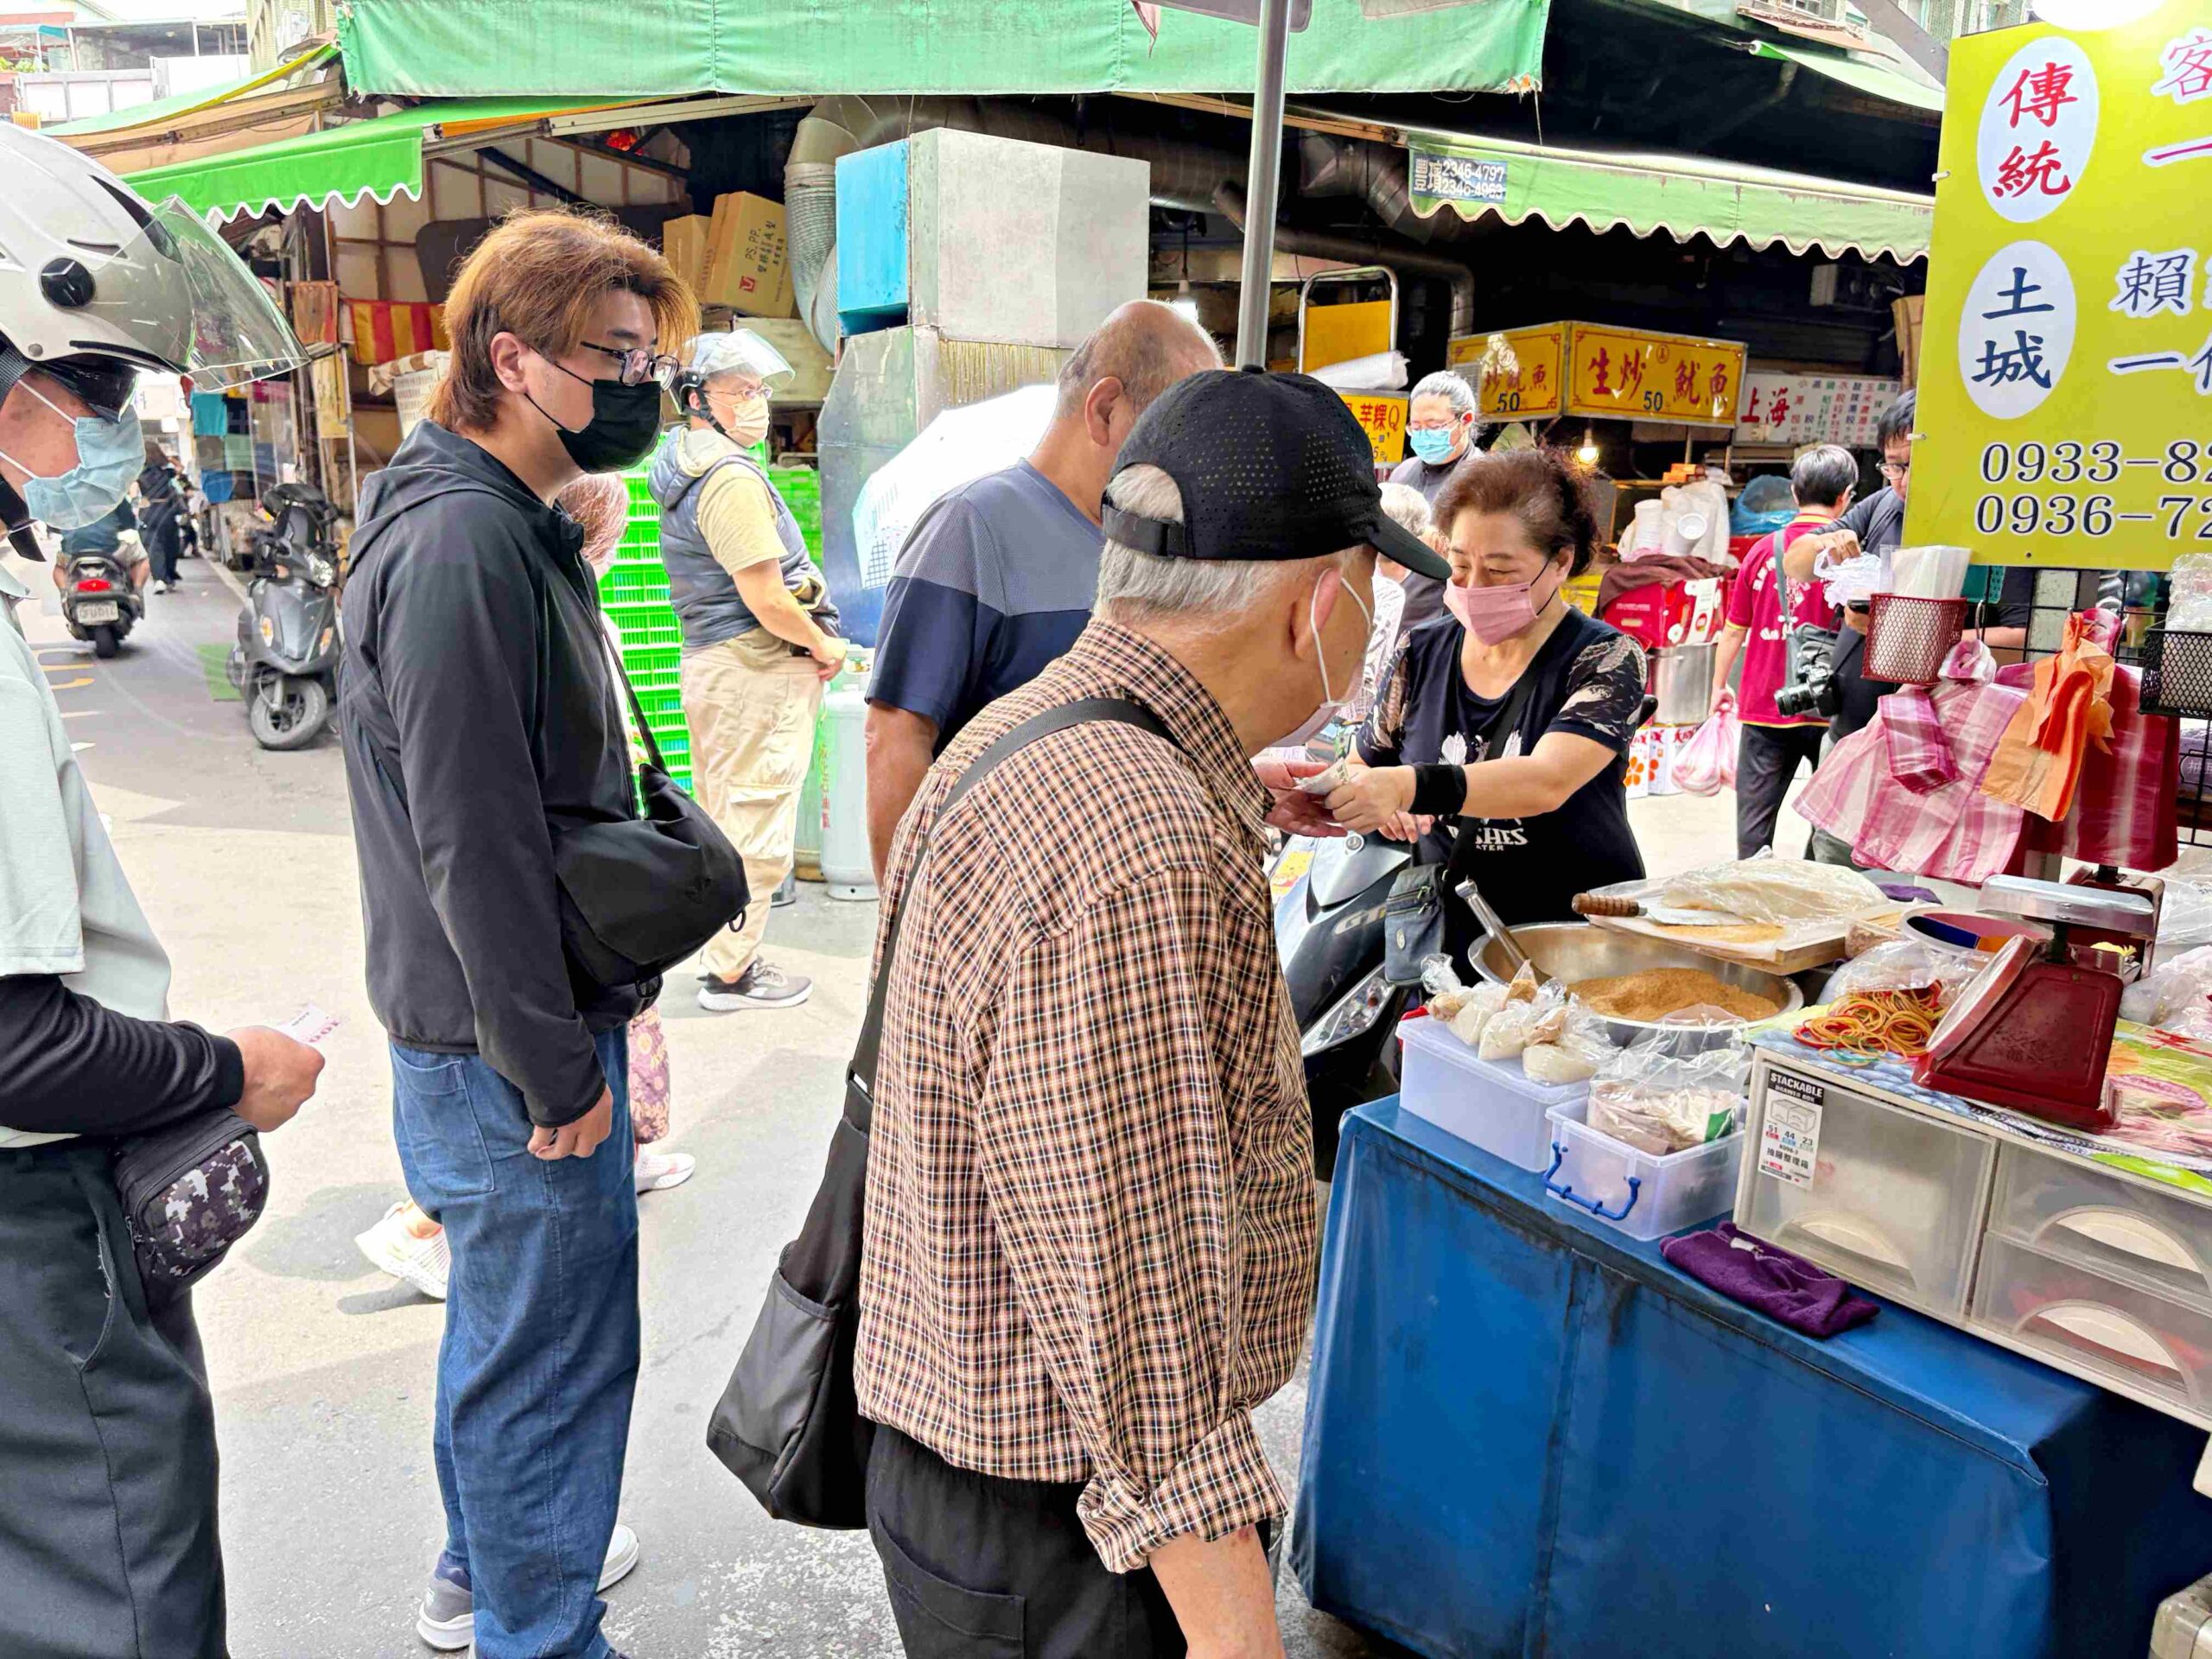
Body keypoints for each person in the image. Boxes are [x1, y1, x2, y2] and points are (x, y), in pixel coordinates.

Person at [858, 367, 1453, 1659]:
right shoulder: (1142, 843)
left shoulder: (1035, 726)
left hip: (980, 1456)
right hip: (1070, 1524)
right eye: (1373, 586)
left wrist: (1229, 788)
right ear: (1318, 604)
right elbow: (1145, 1330)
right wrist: (1238, 1637)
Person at [338, 208, 694, 1659]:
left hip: (484, 1018)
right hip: (507, 1039)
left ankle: (480, 1575)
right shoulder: (463, 543)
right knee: (551, 1359)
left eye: (650, 360)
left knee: (507, 1334)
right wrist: (552, 1069)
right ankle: (538, 1633)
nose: (639, 387)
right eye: (614, 357)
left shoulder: (477, 516)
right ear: (511, 362)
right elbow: (473, 837)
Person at [0, 120, 324, 1659]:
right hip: (31, 1248)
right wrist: (225, 1071)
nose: (113, 425)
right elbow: (17, 1046)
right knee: (120, 1603)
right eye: (93, 384)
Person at [353, 475, 696, 1310]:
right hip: (500, 1016)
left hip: (472, 995)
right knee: (545, 1331)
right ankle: (424, 1225)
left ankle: (441, 1217)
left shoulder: (420, 546)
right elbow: (478, 849)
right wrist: (560, 1075)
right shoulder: (463, 570)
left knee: (541, 1321)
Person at [863, 298, 1221, 882]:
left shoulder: (1144, 543)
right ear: (1105, 410)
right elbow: (895, 736)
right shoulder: (969, 527)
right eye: (1180, 435)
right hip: (1000, 897)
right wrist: (907, 914)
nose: (1193, 464)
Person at [1327, 447, 1649, 974]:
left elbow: (1545, 780)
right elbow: (1363, 763)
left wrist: (1409, 786)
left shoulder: (1605, 658)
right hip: (1448, 934)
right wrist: (1385, 802)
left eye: (1500, 570)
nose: (1474, 588)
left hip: (1573, 940)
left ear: (1560, 562)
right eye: (1459, 566)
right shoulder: (1420, 653)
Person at [647, 328, 842, 1012]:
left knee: (727, 820)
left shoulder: (686, 462)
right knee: (754, 832)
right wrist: (823, 646)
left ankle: (723, 957)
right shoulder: (728, 478)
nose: (758, 402)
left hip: (719, 666)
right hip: (752, 669)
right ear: (698, 399)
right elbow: (766, 598)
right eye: (741, 391)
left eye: (759, 389)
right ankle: (731, 975)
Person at [1709, 442, 1853, 860]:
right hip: (1833, 704)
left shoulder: (1762, 550)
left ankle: (1754, 887)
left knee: (1754, 826)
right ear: (1845, 496)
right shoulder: (1850, 552)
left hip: (1765, 703)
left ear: (1794, 493)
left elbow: (1734, 629)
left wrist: (1719, 686)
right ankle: (1812, 884)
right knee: (1830, 824)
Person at [1387, 369, 1484, 632]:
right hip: (1394, 619)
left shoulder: (1483, 479)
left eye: (1433, 427)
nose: (1423, 436)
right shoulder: (1403, 473)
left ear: (1465, 420)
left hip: (1444, 627)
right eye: (1416, 427)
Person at [53, 495, 149, 594]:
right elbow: (129, 522)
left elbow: (53, 522)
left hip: (73, 551)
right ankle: (137, 592)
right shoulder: (113, 492)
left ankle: (64, 593)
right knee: (140, 559)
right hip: (109, 548)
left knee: (60, 567)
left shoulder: (64, 495)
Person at [135, 444, 183, 593]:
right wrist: (170, 459)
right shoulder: (166, 472)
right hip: (166, 511)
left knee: (154, 546)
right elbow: (180, 468)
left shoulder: (139, 473)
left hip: (149, 511)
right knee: (170, 544)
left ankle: (159, 579)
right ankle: (168, 576)